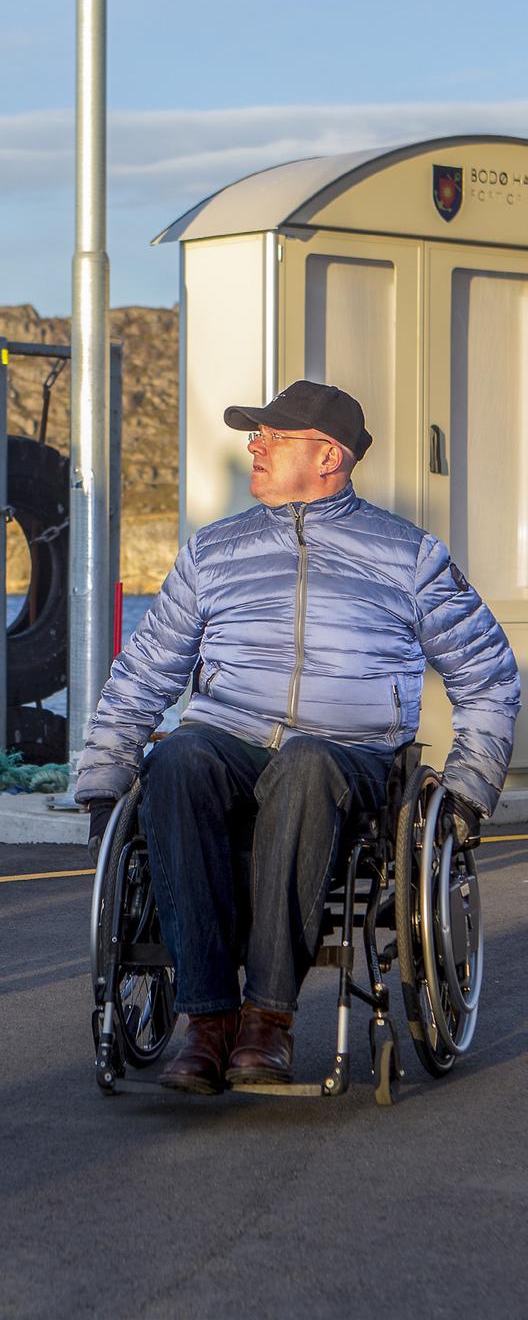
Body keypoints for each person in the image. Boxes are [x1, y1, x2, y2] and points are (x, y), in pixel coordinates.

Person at [76, 380, 520, 1093]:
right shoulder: (212, 553)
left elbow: (490, 673)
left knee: (307, 763)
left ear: (328, 456)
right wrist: (102, 780)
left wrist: (468, 789)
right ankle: (209, 1021)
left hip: (351, 756)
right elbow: (145, 671)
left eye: (271, 436)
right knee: (179, 757)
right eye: (255, 433)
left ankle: (267, 1019)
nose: (253, 444)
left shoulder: (408, 557)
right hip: (230, 740)